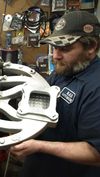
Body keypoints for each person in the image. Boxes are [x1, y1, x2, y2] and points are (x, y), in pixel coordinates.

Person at [10, 10, 100, 177]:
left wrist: (40, 146)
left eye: (65, 48)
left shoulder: (96, 88)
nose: (55, 55)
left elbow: (95, 153)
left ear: (91, 47)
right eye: (55, 47)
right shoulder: (66, 69)